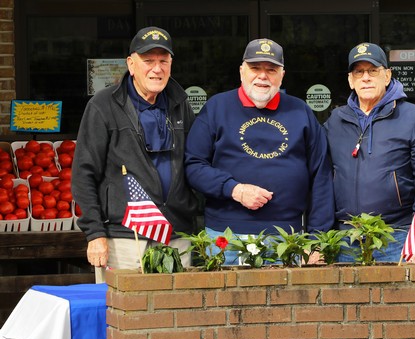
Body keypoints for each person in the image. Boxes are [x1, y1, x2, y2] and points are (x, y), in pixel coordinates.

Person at [184, 38, 334, 264]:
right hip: (226, 237)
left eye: (271, 69)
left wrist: (317, 240)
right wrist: (235, 189)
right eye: (255, 68)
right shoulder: (217, 108)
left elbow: (321, 176)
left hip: (286, 238)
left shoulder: (300, 111)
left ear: (282, 75)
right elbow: (193, 165)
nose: (262, 76)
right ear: (242, 71)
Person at [72, 26, 199, 282]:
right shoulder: (103, 105)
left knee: (176, 316)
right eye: (148, 61)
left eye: (163, 61)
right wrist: (95, 233)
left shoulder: (180, 103)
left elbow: (195, 163)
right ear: (131, 64)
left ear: (171, 63)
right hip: (124, 239)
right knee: (124, 318)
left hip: (177, 235)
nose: (157, 68)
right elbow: (84, 173)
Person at [324, 42, 415, 263]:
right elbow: (320, 176)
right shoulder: (335, 121)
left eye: (373, 70)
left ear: (387, 75)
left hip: (396, 237)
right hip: (344, 239)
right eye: (359, 72)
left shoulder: (414, 118)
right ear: (350, 80)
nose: (366, 77)